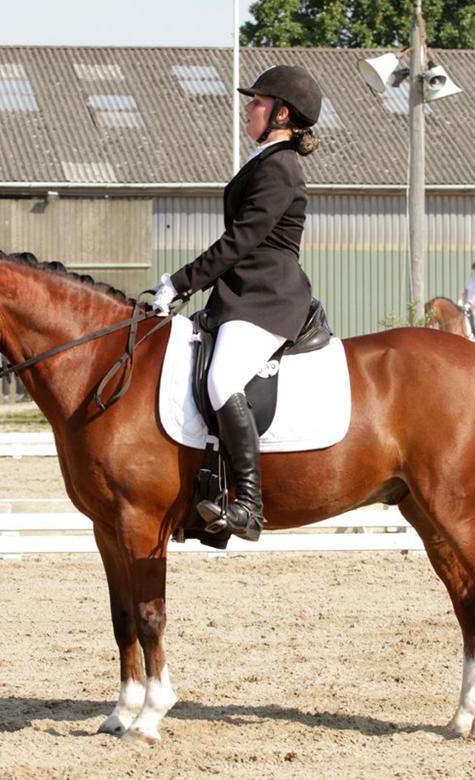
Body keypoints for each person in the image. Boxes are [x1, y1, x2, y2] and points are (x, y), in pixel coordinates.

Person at [151, 64, 323, 543]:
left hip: (267, 298)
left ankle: (248, 502)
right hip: (241, 296)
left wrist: (181, 282)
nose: (248, 107)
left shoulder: (281, 166)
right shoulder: (265, 160)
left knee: (223, 377)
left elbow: (242, 241)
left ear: (281, 113)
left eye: (257, 101)